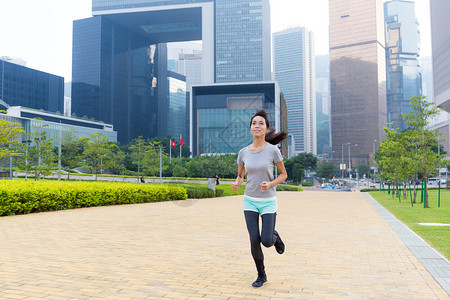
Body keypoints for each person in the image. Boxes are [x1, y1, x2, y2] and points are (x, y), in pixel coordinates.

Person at [231, 109, 288, 288]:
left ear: (266, 128)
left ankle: (275, 237)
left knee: (267, 241)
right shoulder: (243, 152)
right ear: (250, 128)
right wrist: (237, 183)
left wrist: (270, 184)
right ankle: (261, 274)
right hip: (250, 200)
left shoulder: (273, 151)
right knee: (254, 239)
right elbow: (240, 175)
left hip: (268, 201)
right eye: (254, 123)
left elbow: (283, 174)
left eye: (261, 123)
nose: (257, 126)